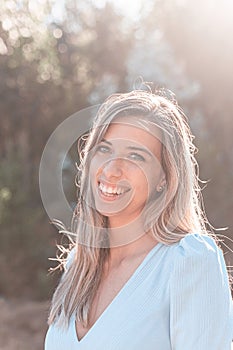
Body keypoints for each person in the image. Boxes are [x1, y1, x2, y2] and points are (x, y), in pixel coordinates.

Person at [44, 89, 233, 349]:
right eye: (104, 149)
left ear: (165, 177)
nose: (111, 170)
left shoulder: (188, 261)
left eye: (135, 156)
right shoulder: (79, 264)